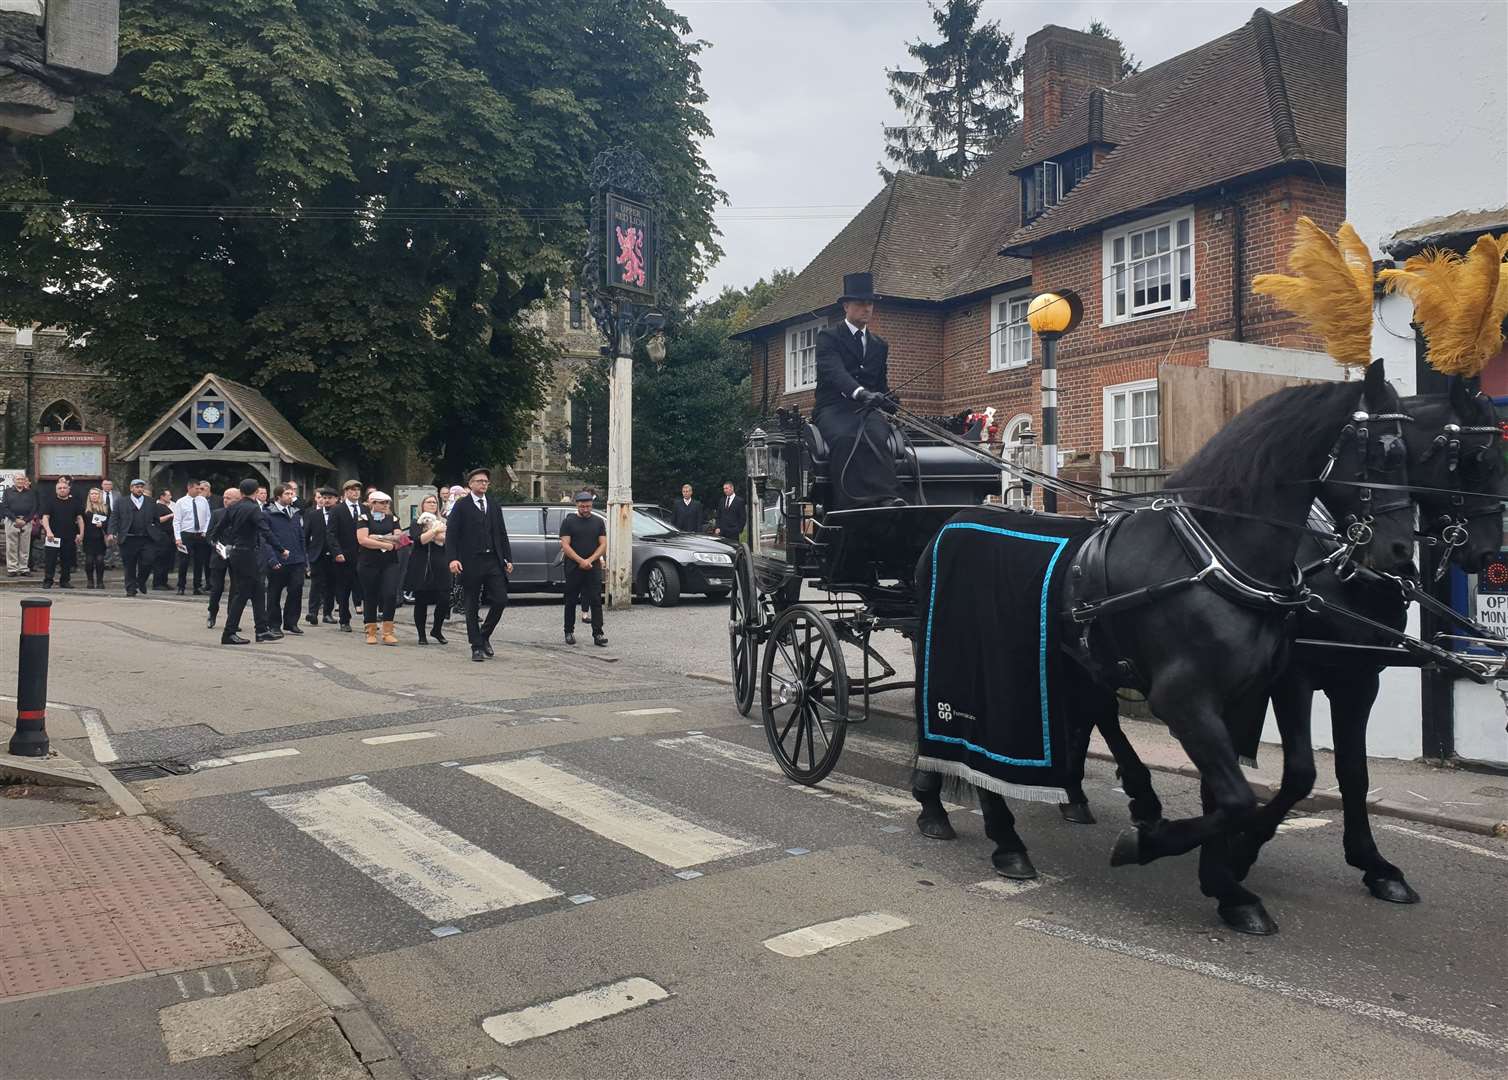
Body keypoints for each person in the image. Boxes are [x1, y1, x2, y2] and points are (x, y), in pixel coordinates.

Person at [813, 271, 904, 508]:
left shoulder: (879, 345)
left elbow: (880, 385)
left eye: (870, 304)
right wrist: (861, 393)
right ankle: (849, 504)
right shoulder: (828, 338)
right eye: (860, 303)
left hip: (866, 410)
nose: (867, 309)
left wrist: (888, 400)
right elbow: (836, 374)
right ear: (846, 306)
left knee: (878, 436)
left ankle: (886, 498)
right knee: (846, 438)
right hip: (833, 408)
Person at [444, 467, 513, 663]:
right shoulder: (462, 506)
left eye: (485, 481)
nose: (483, 484)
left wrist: (507, 558)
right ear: (471, 484)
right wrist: (453, 559)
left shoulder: (492, 504)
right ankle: (476, 646)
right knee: (471, 605)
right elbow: (452, 535)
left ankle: (484, 635)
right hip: (470, 562)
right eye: (479, 481)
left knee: (500, 599)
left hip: (492, 561)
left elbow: (501, 533)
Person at [209, 478, 277, 644]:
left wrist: (221, 545)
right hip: (246, 555)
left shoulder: (233, 508)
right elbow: (265, 531)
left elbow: (215, 532)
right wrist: (281, 549)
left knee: (259, 590)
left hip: (240, 554)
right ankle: (229, 632)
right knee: (242, 593)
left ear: (241, 492)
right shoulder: (253, 508)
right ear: (255, 492)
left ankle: (261, 629)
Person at [356, 491, 405, 645]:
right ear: (373, 503)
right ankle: (370, 630)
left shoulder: (393, 518)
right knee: (371, 594)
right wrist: (386, 544)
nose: (385, 506)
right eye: (382, 503)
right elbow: (363, 540)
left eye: (387, 503)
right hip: (369, 562)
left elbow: (399, 538)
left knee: (390, 594)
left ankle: (388, 630)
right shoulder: (364, 518)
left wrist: (376, 537)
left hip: (389, 561)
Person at [560, 490, 608, 647]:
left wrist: (591, 560)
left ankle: (598, 633)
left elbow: (603, 544)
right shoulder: (569, 521)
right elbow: (565, 544)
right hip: (573, 565)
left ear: (592, 505)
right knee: (571, 599)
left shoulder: (598, 522)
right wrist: (580, 560)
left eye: (588, 506)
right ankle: (568, 631)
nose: (585, 509)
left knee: (595, 599)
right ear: (577, 505)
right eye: (582, 506)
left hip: (592, 566)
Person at [405, 495, 452, 644]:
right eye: (429, 502)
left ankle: (436, 629)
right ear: (422, 505)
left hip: (441, 562)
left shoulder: (444, 521)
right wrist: (435, 532)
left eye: (434, 502)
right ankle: (421, 635)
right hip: (422, 563)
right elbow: (420, 540)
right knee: (421, 601)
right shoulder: (417, 522)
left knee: (444, 598)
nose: (432, 504)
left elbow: (447, 539)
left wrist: (435, 533)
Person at [264, 481, 308, 635]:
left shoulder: (295, 513)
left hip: (297, 560)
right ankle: (274, 624)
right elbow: (264, 539)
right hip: (277, 560)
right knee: (274, 593)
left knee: (296, 590)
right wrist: (272, 559)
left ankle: (291, 622)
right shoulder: (268, 513)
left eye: (292, 493)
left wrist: (305, 559)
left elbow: (301, 536)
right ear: (278, 497)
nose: (291, 496)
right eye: (287, 494)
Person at [107, 478, 156, 596]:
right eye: (137, 487)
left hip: (146, 538)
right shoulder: (121, 502)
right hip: (128, 538)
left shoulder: (150, 501)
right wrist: (111, 532)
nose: (139, 489)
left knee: (148, 561)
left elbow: (156, 519)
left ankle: (141, 581)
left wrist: (156, 531)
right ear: (131, 488)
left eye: (141, 487)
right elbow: (114, 518)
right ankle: (130, 588)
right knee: (129, 565)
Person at [303, 486, 341, 626]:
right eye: (324, 498)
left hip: (334, 555)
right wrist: (306, 555)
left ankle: (327, 613)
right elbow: (305, 536)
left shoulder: (339, 514)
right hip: (317, 554)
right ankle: (312, 612)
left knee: (331, 584)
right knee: (316, 584)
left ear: (336, 499)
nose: (326, 501)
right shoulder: (313, 515)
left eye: (329, 498)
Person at [331, 479, 365, 632]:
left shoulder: (365, 509)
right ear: (345, 492)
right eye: (352, 490)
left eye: (357, 490)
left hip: (364, 556)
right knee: (344, 590)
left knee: (365, 588)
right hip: (344, 556)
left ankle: (369, 619)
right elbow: (331, 533)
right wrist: (337, 552)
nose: (355, 492)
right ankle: (344, 619)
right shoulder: (337, 510)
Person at [204, 487, 240, 629]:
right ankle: (212, 613)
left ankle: (232, 619)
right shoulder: (217, 514)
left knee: (235, 588)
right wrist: (218, 547)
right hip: (219, 555)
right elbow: (209, 535)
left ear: (238, 500)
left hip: (236, 555)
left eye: (229, 498)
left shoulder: (242, 514)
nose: (225, 500)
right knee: (217, 587)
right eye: (224, 497)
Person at [40, 476, 83, 589]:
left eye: (64, 488)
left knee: (67, 559)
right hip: (53, 536)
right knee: (50, 559)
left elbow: (79, 519)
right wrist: (48, 532)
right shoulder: (50, 501)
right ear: (56, 490)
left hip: (69, 536)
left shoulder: (75, 502)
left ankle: (65, 581)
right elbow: (45, 518)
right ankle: (48, 581)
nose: (62, 490)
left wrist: (81, 533)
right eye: (60, 488)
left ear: (69, 489)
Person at [173, 480, 213, 595]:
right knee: (184, 561)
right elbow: (176, 521)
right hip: (186, 534)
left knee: (199, 562)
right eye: (197, 488)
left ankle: (197, 586)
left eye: (201, 489)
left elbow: (208, 517)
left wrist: (205, 531)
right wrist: (178, 538)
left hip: (200, 534)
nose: (199, 491)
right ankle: (181, 586)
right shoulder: (181, 502)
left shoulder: (203, 501)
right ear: (189, 488)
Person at [2, 473, 38, 576]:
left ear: (25, 481)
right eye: (18, 479)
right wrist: (15, 519)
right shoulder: (7, 492)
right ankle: (12, 568)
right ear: (14, 481)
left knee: (25, 546)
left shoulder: (30, 493)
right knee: (11, 546)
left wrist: (26, 520)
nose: (20, 481)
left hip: (26, 521)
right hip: (11, 521)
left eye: (22, 479)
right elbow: (4, 507)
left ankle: (23, 568)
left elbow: (34, 507)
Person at [148, 488, 177, 590]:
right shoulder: (157, 507)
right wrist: (170, 515)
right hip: (161, 536)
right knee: (159, 561)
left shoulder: (167, 506)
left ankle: (164, 582)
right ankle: (157, 583)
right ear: (162, 496)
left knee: (166, 560)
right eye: (168, 495)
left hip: (168, 537)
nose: (170, 497)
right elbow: (158, 520)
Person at [81, 487, 109, 588]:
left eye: (96, 494)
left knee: (100, 560)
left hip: (100, 538)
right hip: (88, 537)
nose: (94, 496)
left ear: (100, 495)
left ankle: (100, 581)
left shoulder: (105, 508)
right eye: (92, 494)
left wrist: (103, 525)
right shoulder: (85, 509)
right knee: (89, 561)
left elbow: (110, 521)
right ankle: (90, 581)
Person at [100, 479, 119, 568]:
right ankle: (105, 562)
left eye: (109, 484)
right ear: (102, 485)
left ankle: (112, 562)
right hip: (102, 519)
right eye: (105, 484)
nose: (107, 486)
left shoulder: (117, 494)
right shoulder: (98, 494)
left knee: (113, 541)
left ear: (112, 486)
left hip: (114, 519)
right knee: (104, 541)